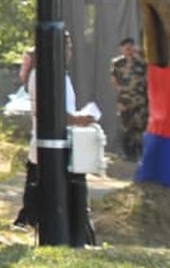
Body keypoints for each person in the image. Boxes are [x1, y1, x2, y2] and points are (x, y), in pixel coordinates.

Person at [13, 31, 97, 234]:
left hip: (59, 141)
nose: (69, 51)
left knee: (39, 180)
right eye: (66, 46)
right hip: (52, 143)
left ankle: (30, 218)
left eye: (70, 46)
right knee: (58, 185)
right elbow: (53, 112)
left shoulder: (56, 73)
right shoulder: (46, 74)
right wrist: (79, 119)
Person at [110, 36, 148, 162]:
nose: (129, 50)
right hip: (124, 101)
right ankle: (128, 154)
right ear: (122, 49)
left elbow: (146, 76)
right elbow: (114, 79)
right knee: (126, 126)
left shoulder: (141, 63)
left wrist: (140, 52)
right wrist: (121, 91)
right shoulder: (117, 63)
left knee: (139, 126)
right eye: (126, 48)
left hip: (139, 100)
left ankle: (140, 153)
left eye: (131, 48)